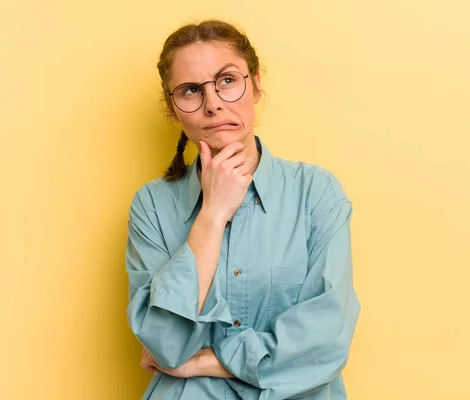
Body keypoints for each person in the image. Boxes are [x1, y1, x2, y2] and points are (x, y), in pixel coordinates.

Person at [125, 19, 360, 400]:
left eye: (228, 81)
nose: (214, 103)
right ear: (173, 110)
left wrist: (205, 362)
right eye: (190, 90)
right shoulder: (152, 206)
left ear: (256, 85)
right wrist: (212, 214)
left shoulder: (316, 192)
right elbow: (165, 343)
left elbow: (327, 339)